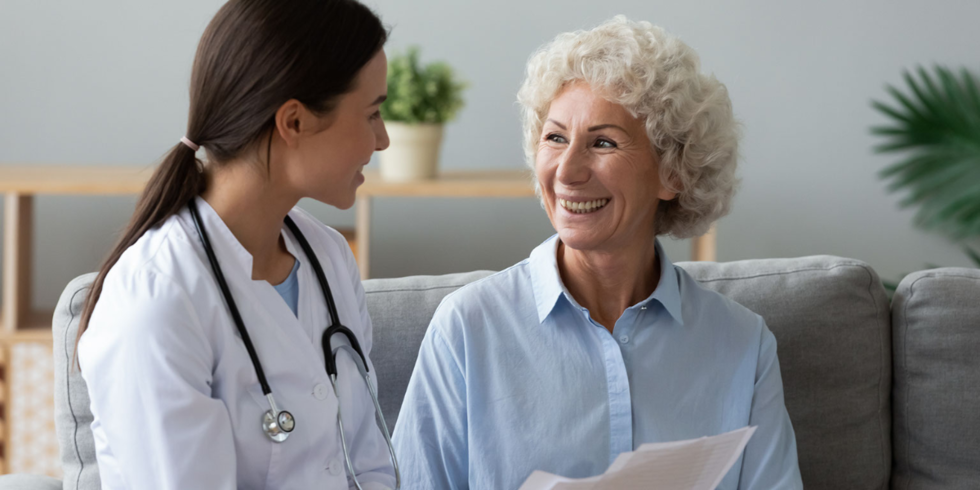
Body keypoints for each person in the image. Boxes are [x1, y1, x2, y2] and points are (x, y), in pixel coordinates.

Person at [392, 16, 803, 490]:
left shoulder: (741, 345)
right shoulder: (466, 327)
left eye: (603, 142)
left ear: (674, 171)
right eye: (555, 137)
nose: (567, 171)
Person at [76, 1, 398, 488]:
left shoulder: (328, 258)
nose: (383, 140)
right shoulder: (157, 298)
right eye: (372, 113)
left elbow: (371, 466)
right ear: (293, 122)